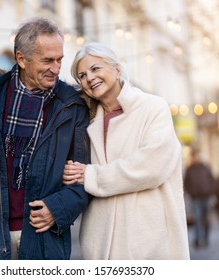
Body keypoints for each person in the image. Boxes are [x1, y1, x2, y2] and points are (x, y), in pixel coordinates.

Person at [0, 17, 90, 260]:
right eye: (47, 60)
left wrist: (58, 209)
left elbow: (84, 173)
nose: (56, 68)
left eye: (59, 60)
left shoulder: (72, 105)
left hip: (46, 236)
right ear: (21, 59)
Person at [62, 42, 190, 259]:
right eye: (82, 76)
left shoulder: (153, 107)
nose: (89, 78)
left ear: (117, 69)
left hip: (149, 240)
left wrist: (90, 175)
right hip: (101, 243)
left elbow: (151, 167)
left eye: (95, 69)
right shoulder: (85, 121)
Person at [184, 149, 216, 248]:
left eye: (196, 156)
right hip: (196, 198)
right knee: (197, 219)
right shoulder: (189, 169)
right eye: (193, 157)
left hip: (206, 197)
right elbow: (186, 184)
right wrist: (192, 193)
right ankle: (198, 239)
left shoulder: (205, 167)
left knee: (206, 219)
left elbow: (212, 181)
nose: (195, 158)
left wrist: (210, 191)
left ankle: (206, 238)